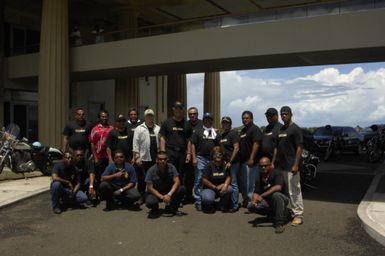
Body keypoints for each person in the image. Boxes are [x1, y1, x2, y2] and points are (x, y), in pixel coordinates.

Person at [273, 106, 304, 226]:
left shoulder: (295, 129)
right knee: (284, 191)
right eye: (282, 114)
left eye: (286, 114)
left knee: (294, 191)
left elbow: (300, 148)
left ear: (291, 114)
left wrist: (296, 164)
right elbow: (276, 147)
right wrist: (273, 162)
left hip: (291, 166)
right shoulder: (280, 129)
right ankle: (288, 212)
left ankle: (298, 215)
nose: (284, 116)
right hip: (280, 166)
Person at [248, 157, 290, 234]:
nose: (263, 167)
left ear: (270, 165)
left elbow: (278, 187)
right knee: (250, 206)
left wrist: (262, 195)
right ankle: (273, 214)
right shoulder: (259, 176)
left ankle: (279, 223)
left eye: (265, 165)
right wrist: (254, 201)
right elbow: (256, 192)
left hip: (282, 199)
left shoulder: (277, 173)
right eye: (261, 166)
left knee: (276, 195)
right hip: (268, 201)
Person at [159, 101, 192, 199]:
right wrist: (163, 153)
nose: (178, 110)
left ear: (183, 110)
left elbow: (189, 140)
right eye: (176, 108)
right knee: (170, 174)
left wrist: (189, 153)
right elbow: (162, 138)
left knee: (181, 175)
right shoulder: (167, 122)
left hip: (182, 153)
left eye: (180, 108)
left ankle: (178, 197)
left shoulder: (187, 124)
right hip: (170, 152)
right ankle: (169, 196)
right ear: (173, 109)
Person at [191, 112, 220, 211]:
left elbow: (218, 146)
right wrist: (194, 158)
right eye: (206, 119)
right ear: (203, 121)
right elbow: (193, 144)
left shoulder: (215, 132)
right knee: (199, 179)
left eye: (210, 119)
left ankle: (210, 199)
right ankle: (198, 200)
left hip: (212, 160)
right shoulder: (198, 131)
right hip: (201, 158)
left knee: (211, 179)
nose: (208, 121)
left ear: (212, 121)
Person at [145, 151, 186, 217]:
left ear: (167, 159)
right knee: (150, 201)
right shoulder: (151, 170)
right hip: (157, 193)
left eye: (164, 159)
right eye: (160, 159)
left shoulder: (172, 167)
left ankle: (173, 208)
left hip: (168, 192)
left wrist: (169, 194)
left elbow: (177, 182)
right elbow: (149, 188)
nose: (163, 161)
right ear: (156, 160)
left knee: (182, 189)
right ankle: (155, 209)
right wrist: (162, 197)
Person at [132, 109, 160, 196]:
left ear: (153, 117)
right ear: (145, 117)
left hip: (155, 158)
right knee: (142, 178)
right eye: (148, 116)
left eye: (151, 116)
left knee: (154, 177)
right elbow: (135, 144)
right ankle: (141, 196)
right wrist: (137, 157)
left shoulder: (158, 128)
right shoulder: (139, 129)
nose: (149, 118)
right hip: (143, 158)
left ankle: (153, 195)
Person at [238, 110, 262, 207]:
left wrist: (251, 158)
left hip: (251, 162)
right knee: (244, 183)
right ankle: (246, 200)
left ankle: (251, 202)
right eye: (243, 118)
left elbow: (256, 144)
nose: (245, 120)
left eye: (247, 118)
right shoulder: (243, 130)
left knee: (250, 184)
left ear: (251, 119)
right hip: (243, 162)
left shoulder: (254, 129)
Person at [201, 146, 236, 213]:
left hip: (221, 187)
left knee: (230, 189)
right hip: (210, 188)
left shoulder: (225, 165)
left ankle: (222, 205)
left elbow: (229, 177)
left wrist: (225, 185)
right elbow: (204, 179)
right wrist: (214, 187)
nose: (218, 156)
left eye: (220, 154)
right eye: (216, 154)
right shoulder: (209, 165)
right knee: (208, 199)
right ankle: (208, 205)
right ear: (212, 156)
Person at [219, 116, 240, 212]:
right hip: (225, 164)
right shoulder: (222, 135)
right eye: (223, 123)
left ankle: (234, 205)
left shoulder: (233, 133)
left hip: (233, 163)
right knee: (228, 183)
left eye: (226, 123)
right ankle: (227, 203)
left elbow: (236, 148)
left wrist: (231, 161)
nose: (224, 124)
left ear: (230, 124)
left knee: (234, 184)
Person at [184, 106, 203, 203]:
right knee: (188, 176)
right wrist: (188, 153)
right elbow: (187, 140)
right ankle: (188, 196)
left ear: (197, 114)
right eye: (190, 114)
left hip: (199, 155)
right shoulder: (186, 124)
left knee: (199, 176)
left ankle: (200, 196)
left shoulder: (202, 123)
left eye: (194, 113)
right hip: (187, 154)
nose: (192, 115)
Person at [89, 110, 113, 181]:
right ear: (99, 117)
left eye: (106, 116)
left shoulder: (111, 129)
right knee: (99, 175)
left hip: (109, 156)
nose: (104, 118)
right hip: (99, 156)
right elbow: (92, 143)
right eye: (102, 116)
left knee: (108, 174)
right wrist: (95, 157)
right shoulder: (95, 129)